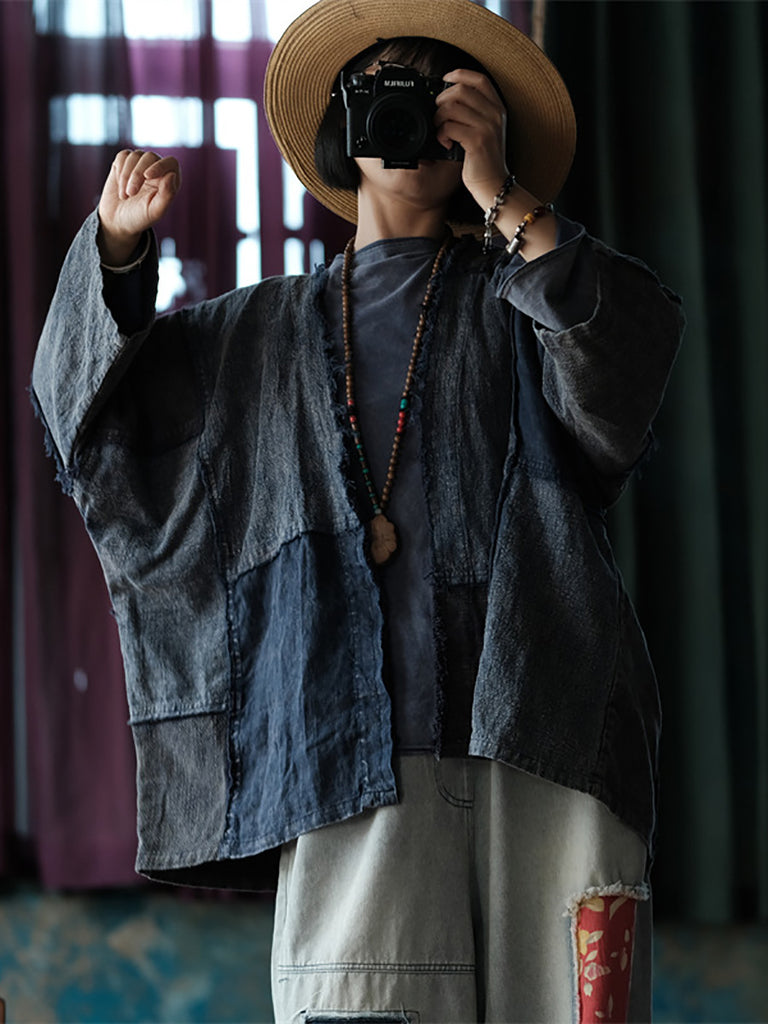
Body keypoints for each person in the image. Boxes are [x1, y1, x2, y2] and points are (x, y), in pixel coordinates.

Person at [32, 0, 684, 1020]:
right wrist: (116, 256)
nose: (409, 112)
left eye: (442, 93)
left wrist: (505, 195)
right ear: (343, 122)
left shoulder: (530, 297)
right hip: (342, 760)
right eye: (382, 88)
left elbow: (625, 373)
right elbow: (91, 440)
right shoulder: (249, 339)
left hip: (546, 741)